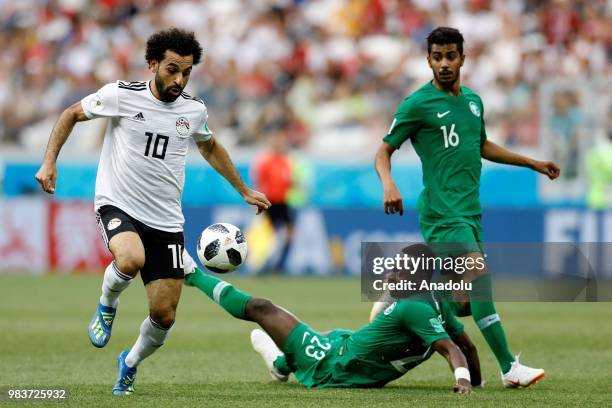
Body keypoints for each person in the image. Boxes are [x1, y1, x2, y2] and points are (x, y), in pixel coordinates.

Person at [34, 28, 271, 395]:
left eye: (187, 72)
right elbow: (70, 114)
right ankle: (106, 305)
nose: (179, 79)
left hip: (166, 220)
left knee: (164, 315)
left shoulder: (193, 110)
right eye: (172, 69)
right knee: (129, 259)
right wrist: (49, 162)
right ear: (152, 64)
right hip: (118, 202)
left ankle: (129, 363)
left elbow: (210, 147)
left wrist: (243, 190)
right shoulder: (120, 96)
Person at [374, 27, 558, 388]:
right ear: (428, 60)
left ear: (462, 57)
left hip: (471, 212)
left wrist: (531, 162)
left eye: (450, 56)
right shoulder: (416, 104)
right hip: (443, 213)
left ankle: (405, 295)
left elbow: (482, 145)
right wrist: (388, 183)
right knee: (479, 276)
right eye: (437, 57)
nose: (444, 64)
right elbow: (383, 150)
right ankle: (509, 368)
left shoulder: (474, 101)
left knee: (465, 302)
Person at [183, 245, 481, 393]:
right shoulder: (439, 303)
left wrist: (463, 383)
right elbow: (468, 348)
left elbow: (452, 350)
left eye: (399, 269)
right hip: (345, 346)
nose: (390, 274)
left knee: (261, 307)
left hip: (331, 365)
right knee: (329, 334)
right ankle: (280, 364)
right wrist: (475, 383)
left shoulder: (414, 308)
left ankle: (192, 275)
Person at [252, 122, 295, 273]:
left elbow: (288, 182)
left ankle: (279, 265)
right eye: (276, 139)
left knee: (289, 235)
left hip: (283, 202)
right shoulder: (266, 162)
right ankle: (263, 265)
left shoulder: (285, 161)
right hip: (270, 203)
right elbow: (258, 183)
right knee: (270, 236)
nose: (279, 142)